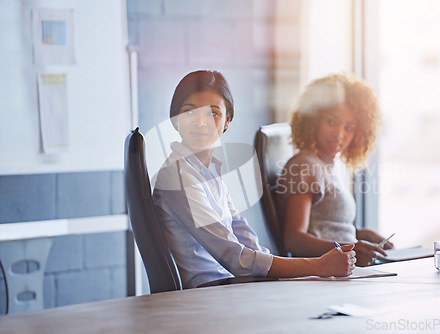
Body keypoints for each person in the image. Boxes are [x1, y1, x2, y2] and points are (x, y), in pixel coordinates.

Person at [152, 70, 356, 289]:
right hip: (210, 293)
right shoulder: (178, 176)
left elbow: (246, 239)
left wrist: (299, 270)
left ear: (227, 121)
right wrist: (317, 266)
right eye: (190, 112)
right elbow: (235, 258)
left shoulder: (208, 171)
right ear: (175, 120)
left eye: (213, 114)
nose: (201, 123)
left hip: (234, 287)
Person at [275, 73, 394, 267]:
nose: (339, 134)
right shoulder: (305, 166)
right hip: (326, 275)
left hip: (342, 271)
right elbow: (294, 239)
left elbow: (324, 226)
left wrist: (359, 234)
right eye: (331, 122)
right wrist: (351, 248)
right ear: (313, 120)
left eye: (349, 128)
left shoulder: (326, 166)